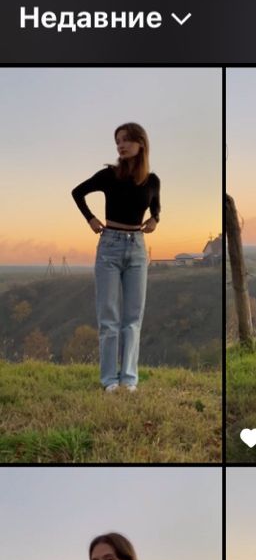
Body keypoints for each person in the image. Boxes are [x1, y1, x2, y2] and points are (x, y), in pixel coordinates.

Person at [72, 123, 160, 392]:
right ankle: (109, 380)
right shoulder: (109, 175)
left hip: (137, 248)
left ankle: (129, 379)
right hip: (109, 245)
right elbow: (78, 192)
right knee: (108, 317)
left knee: (133, 318)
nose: (120, 145)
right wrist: (91, 219)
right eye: (118, 141)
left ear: (140, 143)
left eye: (126, 140)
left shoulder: (152, 180)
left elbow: (156, 207)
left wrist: (155, 219)